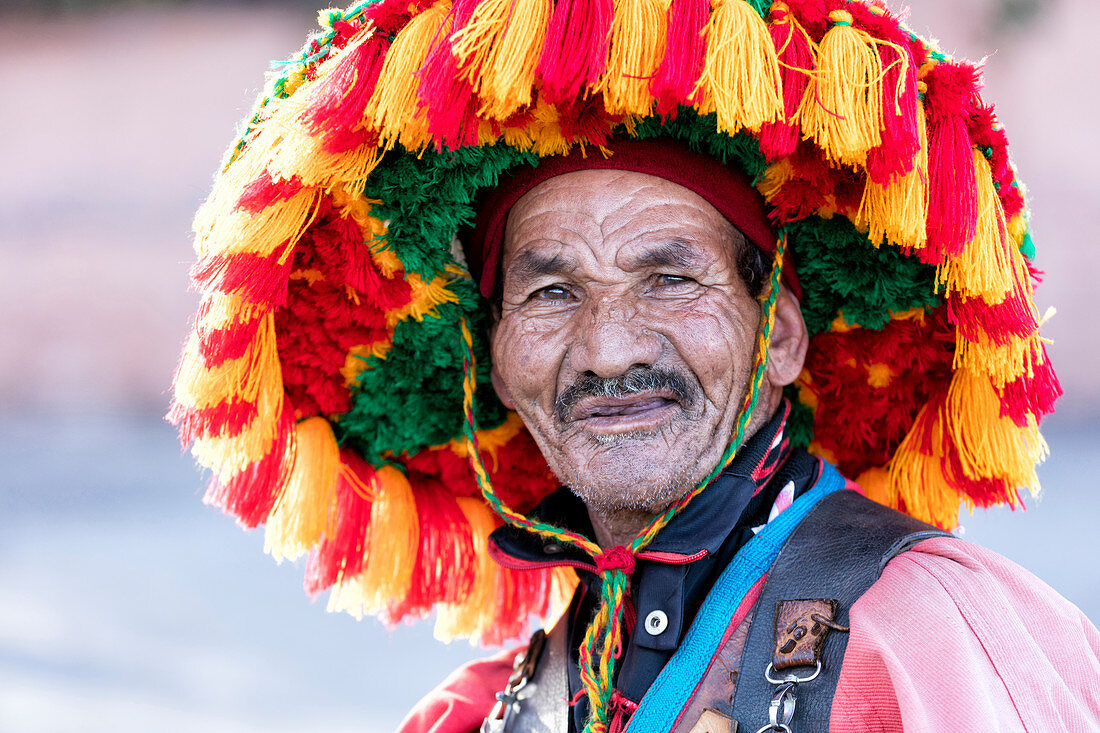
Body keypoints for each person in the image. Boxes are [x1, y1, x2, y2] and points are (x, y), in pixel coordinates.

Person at [170, 0, 1100, 730]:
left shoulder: (936, 637)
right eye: (550, 292)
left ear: (778, 333)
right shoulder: (483, 707)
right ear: (491, 357)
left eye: (668, 279)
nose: (609, 349)